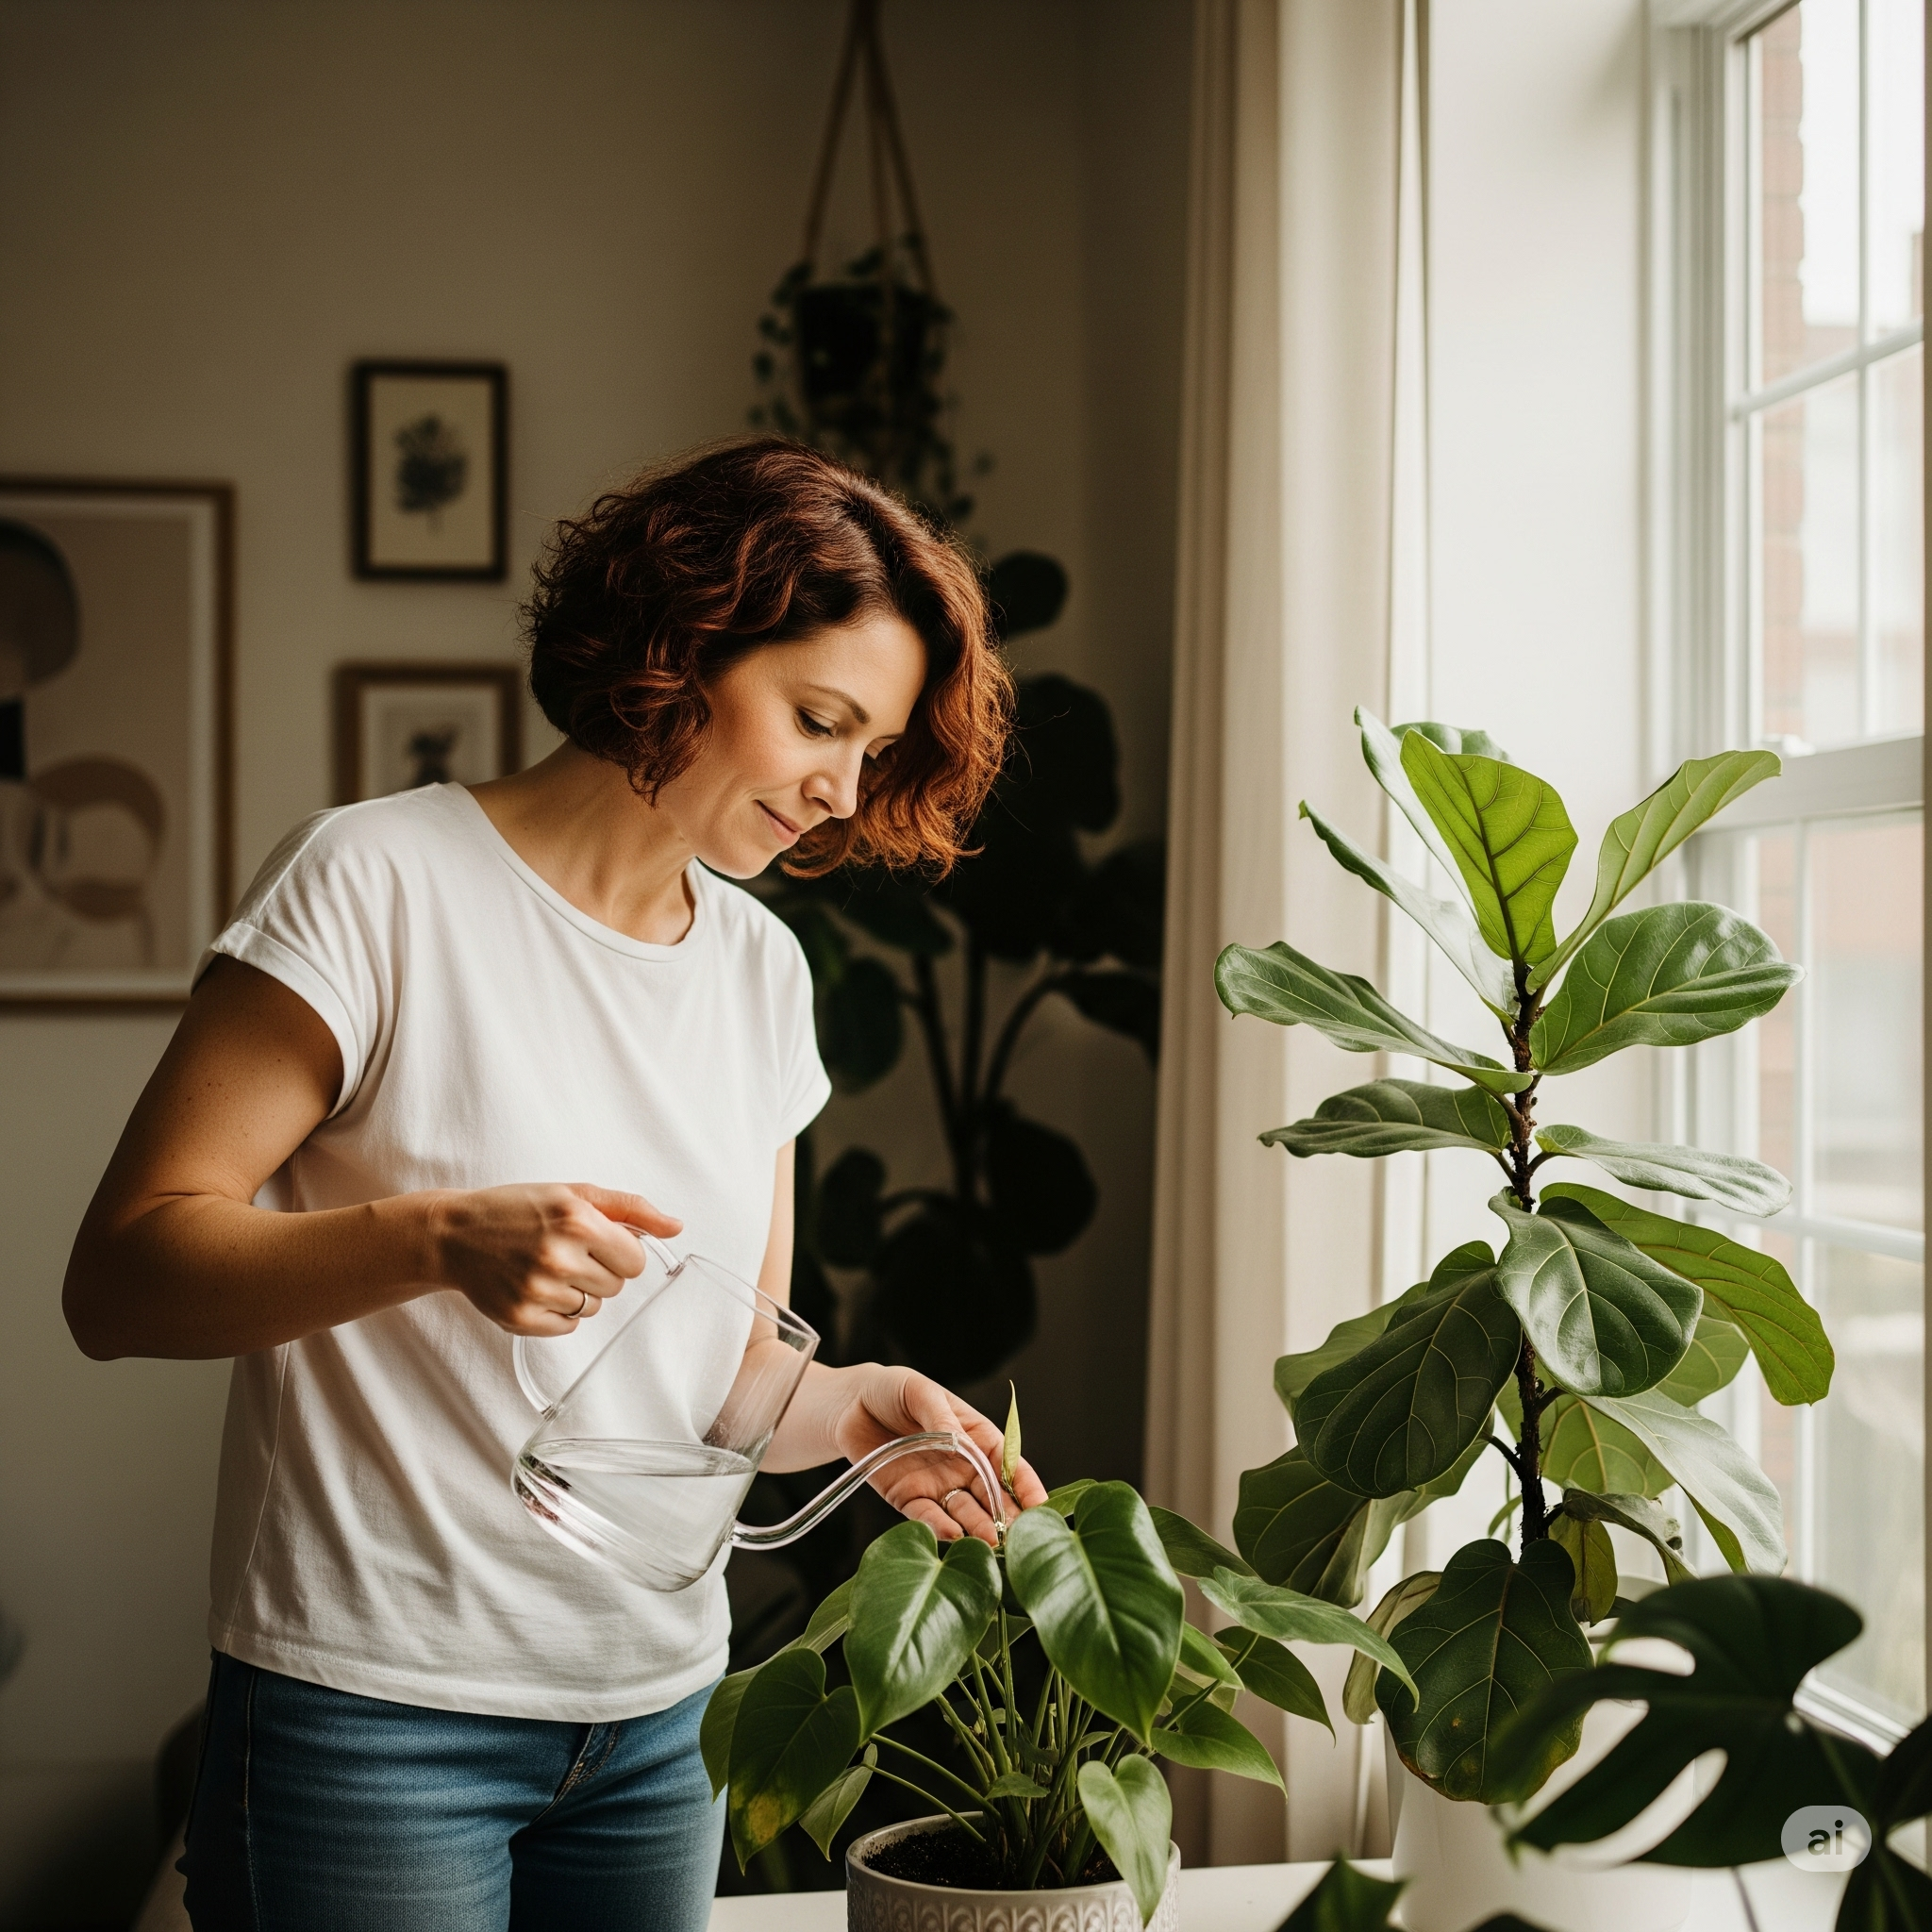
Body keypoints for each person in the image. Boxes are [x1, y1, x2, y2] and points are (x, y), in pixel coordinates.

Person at [62, 440, 1045, 1932]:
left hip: (658, 1726)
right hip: (371, 1713)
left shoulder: (762, 976)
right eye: (820, 721)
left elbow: (722, 1383)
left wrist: (854, 1415)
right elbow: (121, 1276)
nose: (843, 792)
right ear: (685, 647)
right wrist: (438, 1242)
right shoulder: (375, 883)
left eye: (872, 751)